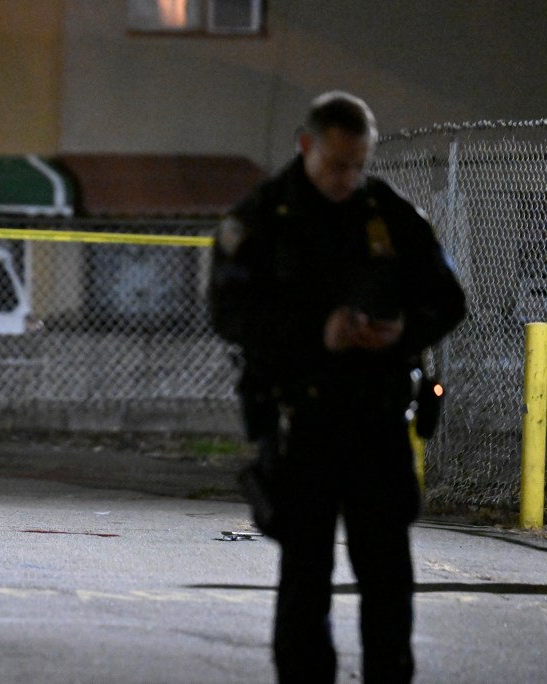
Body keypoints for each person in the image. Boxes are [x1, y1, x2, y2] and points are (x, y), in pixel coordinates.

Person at [208, 91, 466, 682]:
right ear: (306, 147)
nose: (347, 178)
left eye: (358, 164)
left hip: (377, 419)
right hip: (302, 422)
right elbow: (229, 312)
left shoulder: (386, 214)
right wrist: (315, 332)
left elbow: (448, 299)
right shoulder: (264, 217)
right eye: (336, 165)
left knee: (387, 576)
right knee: (305, 574)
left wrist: (402, 330)